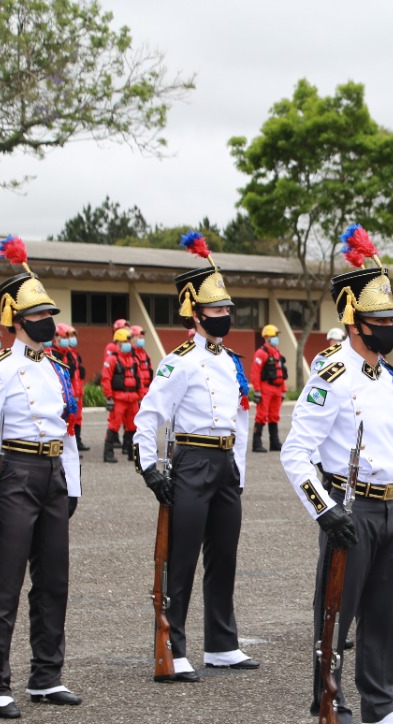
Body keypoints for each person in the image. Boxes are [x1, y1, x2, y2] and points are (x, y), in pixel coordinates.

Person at [282, 226, 393, 724]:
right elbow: (295, 453)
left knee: (385, 613)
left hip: (390, 506)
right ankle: (333, 708)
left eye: (391, 322)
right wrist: (324, 512)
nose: (387, 330)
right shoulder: (331, 376)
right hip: (348, 508)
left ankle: (381, 706)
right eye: (378, 323)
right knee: (336, 615)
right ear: (355, 323)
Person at [0, 235, 83, 718]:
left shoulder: (56, 368)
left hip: (51, 472)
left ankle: (47, 676)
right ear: (15, 321)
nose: (46, 324)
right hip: (15, 473)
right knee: (6, 581)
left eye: (47, 315)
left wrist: (71, 483)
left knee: (54, 580)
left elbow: (68, 427)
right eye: (36, 318)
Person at [133, 232, 256, 683]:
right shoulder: (178, 361)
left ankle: (222, 644)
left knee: (224, 556)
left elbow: (240, 418)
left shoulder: (230, 360)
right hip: (192, 461)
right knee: (181, 559)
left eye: (228, 310)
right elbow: (149, 416)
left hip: (223, 464)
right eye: (217, 310)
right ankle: (172, 646)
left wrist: (239, 467)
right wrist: (149, 467)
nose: (225, 316)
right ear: (196, 313)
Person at [101, 328, 142, 463]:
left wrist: (141, 397)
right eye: (125, 341)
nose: (128, 343)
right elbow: (106, 379)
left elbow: (139, 379)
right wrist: (109, 397)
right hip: (119, 398)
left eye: (129, 341)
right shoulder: (112, 359)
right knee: (114, 425)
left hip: (133, 399)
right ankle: (108, 453)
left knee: (133, 426)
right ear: (118, 342)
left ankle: (132, 453)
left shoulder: (134, 360)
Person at [48, 324, 89, 452]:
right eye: (66, 336)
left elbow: (75, 375)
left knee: (75, 418)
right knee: (64, 420)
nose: (69, 339)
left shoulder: (70, 353)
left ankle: (75, 443)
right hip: (65, 394)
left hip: (75, 392)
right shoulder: (54, 353)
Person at [249, 324, 288, 453]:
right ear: (266, 338)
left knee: (274, 416)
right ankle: (256, 443)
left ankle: (275, 442)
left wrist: (283, 389)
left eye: (276, 336)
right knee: (261, 415)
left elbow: (281, 373)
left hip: (277, 389)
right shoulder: (261, 353)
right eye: (274, 336)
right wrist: (257, 391)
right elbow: (255, 373)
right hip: (265, 388)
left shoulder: (277, 352)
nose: (276, 338)